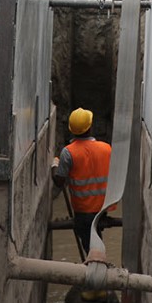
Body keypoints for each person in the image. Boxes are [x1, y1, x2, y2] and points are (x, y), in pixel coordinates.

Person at [52, 107, 113, 268]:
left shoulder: (68, 153)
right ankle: (97, 279)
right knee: (95, 243)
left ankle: (94, 284)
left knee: (90, 249)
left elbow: (59, 181)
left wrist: (54, 166)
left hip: (83, 211)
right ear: (90, 127)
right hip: (103, 208)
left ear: (71, 130)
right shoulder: (107, 148)